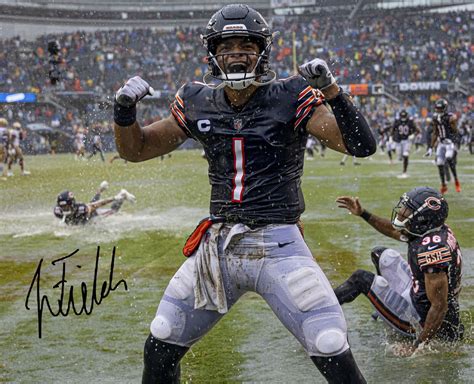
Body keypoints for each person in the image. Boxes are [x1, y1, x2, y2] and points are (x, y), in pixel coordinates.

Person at [113, 4, 376, 383]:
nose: (236, 53)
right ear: (213, 53)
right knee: (162, 337)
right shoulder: (197, 98)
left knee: (330, 341)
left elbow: (361, 145)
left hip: (279, 243)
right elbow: (135, 150)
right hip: (219, 247)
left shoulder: (291, 94)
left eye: (246, 45)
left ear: (262, 51)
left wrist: (332, 91)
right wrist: (124, 112)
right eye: (227, 45)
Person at [334, 187, 463, 357]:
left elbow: (439, 306)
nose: (402, 212)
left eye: (408, 209)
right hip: (418, 295)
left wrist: (417, 347)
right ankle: (385, 309)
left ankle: (320, 311)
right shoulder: (433, 230)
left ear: (423, 218)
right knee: (381, 254)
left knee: (361, 279)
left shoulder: (432, 251)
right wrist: (363, 213)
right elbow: (394, 231)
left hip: (420, 320)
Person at [54, 181, 136, 225]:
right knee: (91, 203)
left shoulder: (81, 209)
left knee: (113, 211)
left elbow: (97, 204)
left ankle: (122, 195)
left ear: (71, 203)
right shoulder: (58, 211)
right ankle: (101, 189)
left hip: (93, 216)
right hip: (87, 212)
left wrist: (114, 198)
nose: (64, 209)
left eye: (65, 206)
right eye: (62, 206)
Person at [425, 99, 461, 194]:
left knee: (449, 158)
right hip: (441, 143)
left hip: (449, 143)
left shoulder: (450, 117)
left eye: (440, 109)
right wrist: (430, 148)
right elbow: (435, 133)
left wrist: (455, 142)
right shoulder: (435, 117)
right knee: (440, 163)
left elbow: (455, 131)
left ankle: (456, 180)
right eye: (437, 108)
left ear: (444, 109)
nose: (438, 110)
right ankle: (443, 185)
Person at [391, 110, 420, 178]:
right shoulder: (397, 121)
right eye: (402, 116)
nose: (403, 118)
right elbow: (392, 129)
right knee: (400, 157)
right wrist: (391, 138)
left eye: (404, 116)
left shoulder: (410, 121)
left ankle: (404, 172)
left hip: (407, 141)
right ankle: (402, 163)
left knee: (405, 155)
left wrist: (413, 135)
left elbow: (418, 130)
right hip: (399, 141)